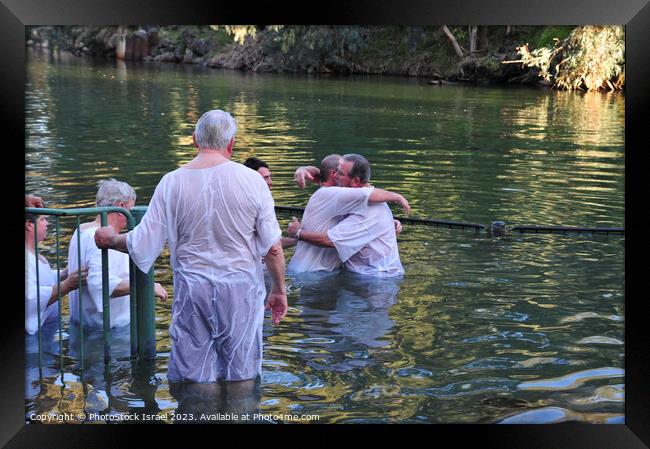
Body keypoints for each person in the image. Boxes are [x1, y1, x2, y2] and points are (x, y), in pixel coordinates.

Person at [94, 109, 287, 383]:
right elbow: (273, 248)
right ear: (231, 143)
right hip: (240, 290)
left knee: (195, 375)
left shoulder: (171, 182)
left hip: (192, 290)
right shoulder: (253, 181)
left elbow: (143, 242)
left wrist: (110, 239)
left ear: (195, 140)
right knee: (241, 372)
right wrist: (279, 290)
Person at [67, 178, 167, 330]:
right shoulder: (97, 238)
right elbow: (102, 284)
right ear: (121, 206)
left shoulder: (81, 230)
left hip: (84, 326)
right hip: (107, 332)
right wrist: (147, 286)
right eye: (131, 209)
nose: (131, 217)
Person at [287, 154, 408, 274]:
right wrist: (305, 170)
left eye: (340, 173)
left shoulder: (370, 208)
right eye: (336, 172)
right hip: (336, 274)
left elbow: (331, 241)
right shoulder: (344, 197)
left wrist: (298, 233)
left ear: (355, 181)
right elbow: (325, 178)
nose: (336, 176)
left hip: (375, 278)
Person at [25, 211, 87, 335]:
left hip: (45, 330)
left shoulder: (30, 252)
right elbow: (29, 297)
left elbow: (40, 278)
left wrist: (64, 274)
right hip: (33, 337)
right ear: (28, 225)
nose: (47, 223)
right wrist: (66, 285)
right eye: (42, 219)